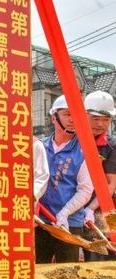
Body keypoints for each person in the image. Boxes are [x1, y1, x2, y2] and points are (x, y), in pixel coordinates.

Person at [36, 95, 93, 263]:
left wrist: (64, 214)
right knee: (38, 269)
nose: (72, 119)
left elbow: (85, 190)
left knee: (67, 272)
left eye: (76, 115)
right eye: (68, 114)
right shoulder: (40, 147)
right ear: (54, 117)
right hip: (42, 223)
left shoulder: (84, 150)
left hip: (69, 224)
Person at [80, 91, 116, 260]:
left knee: (104, 251)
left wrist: (90, 209)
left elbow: (111, 184)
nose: (101, 124)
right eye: (96, 118)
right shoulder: (72, 140)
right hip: (73, 207)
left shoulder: (111, 146)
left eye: (106, 119)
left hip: (104, 209)